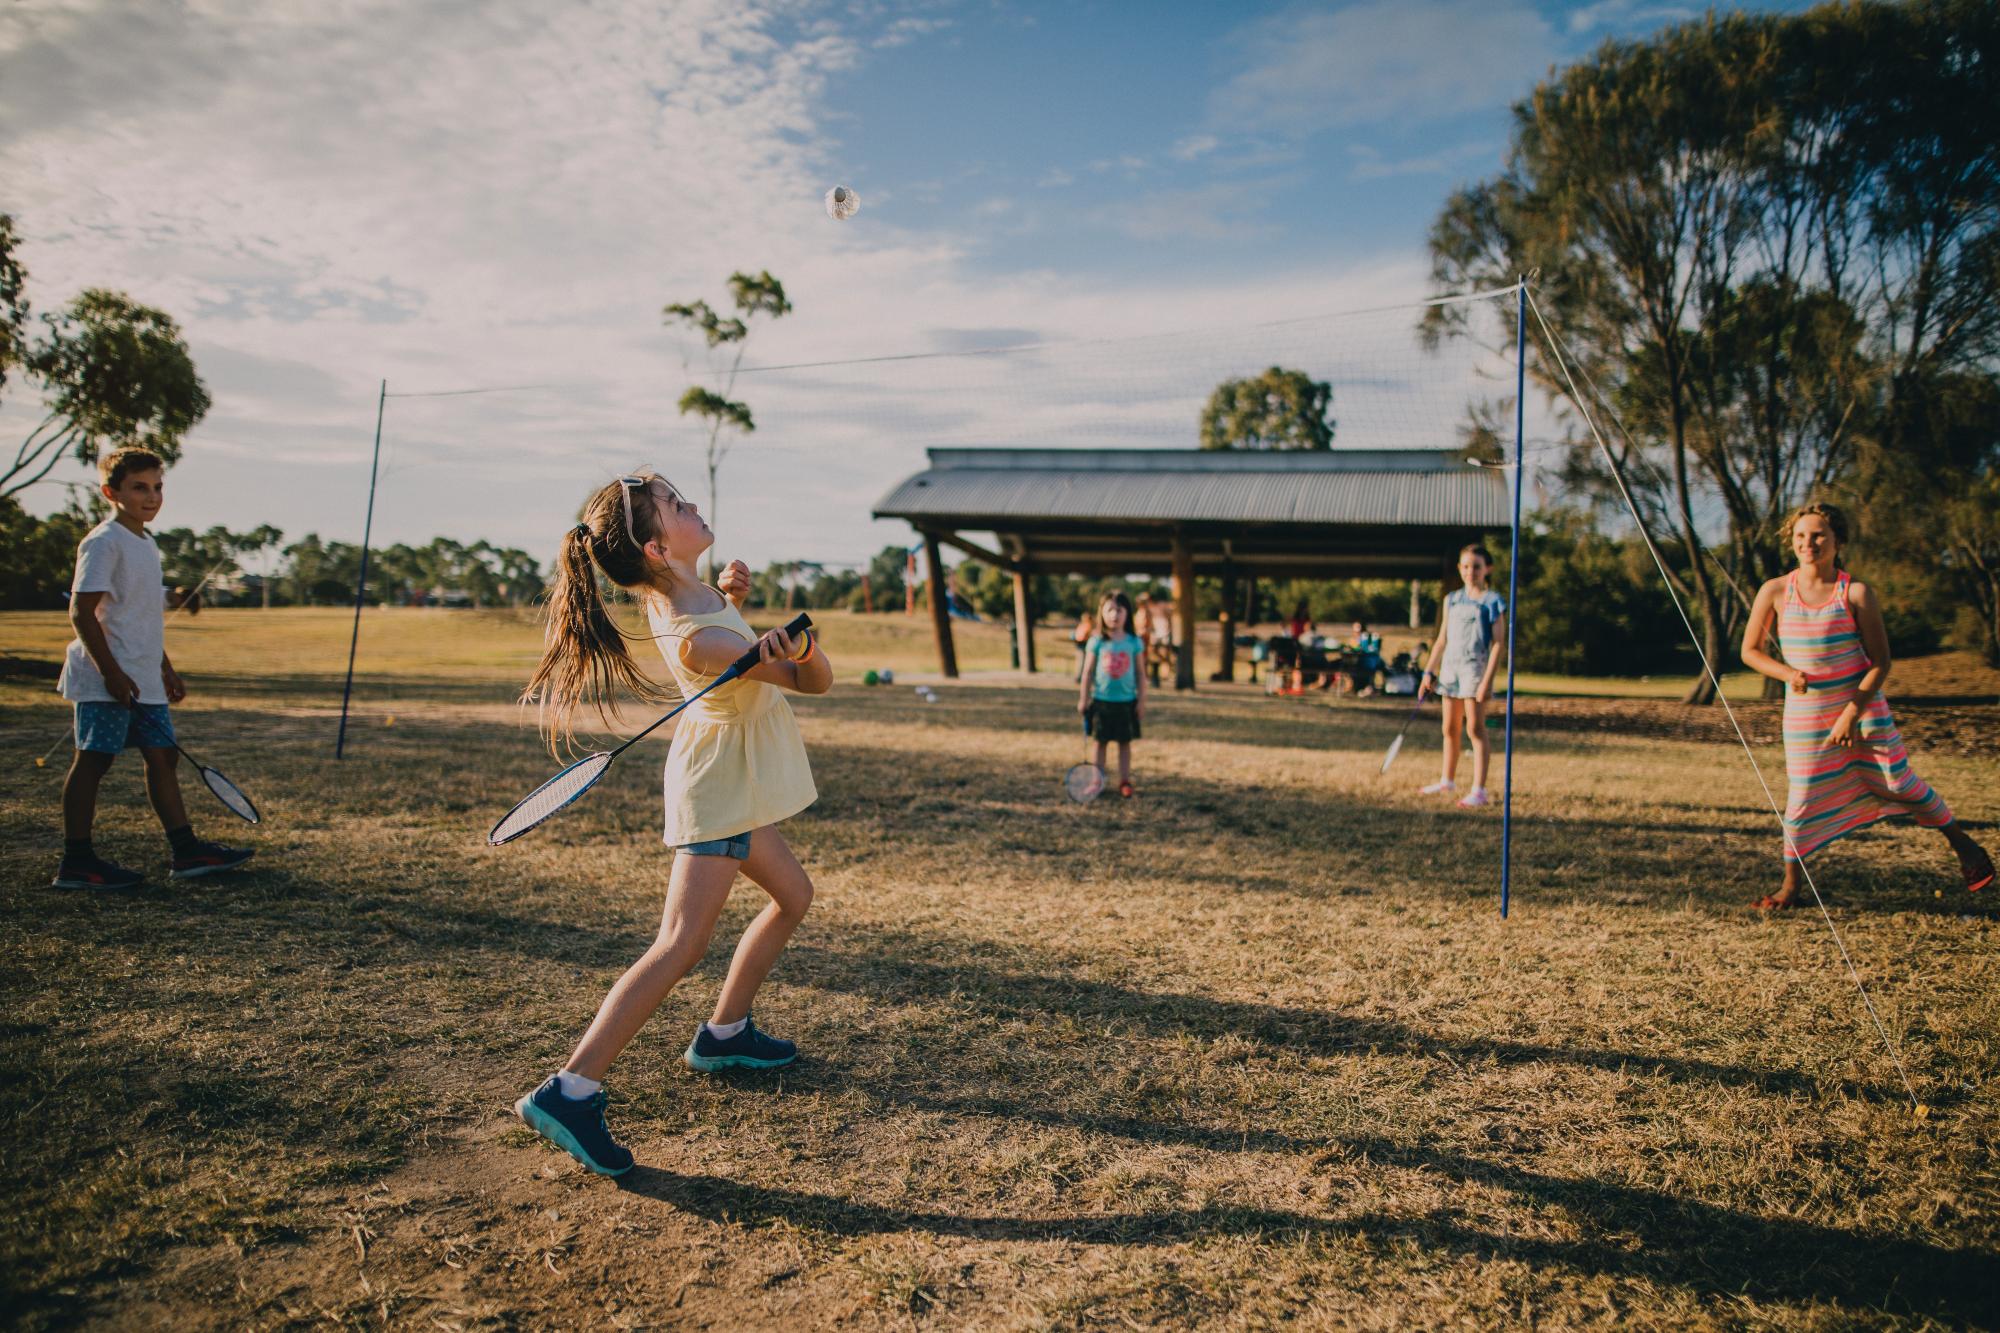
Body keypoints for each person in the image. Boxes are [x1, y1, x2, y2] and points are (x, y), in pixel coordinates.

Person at [513, 471, 832, 1177]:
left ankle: (725, 1032)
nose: (693, 506)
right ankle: (570, 1088)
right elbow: (816, 682)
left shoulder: (689, 595)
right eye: (678, 506)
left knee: (794, 895)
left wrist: (735, 602)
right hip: (718, 790)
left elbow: (711, 620)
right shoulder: (698, 638)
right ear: (658, 547)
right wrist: (800, 651)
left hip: (732, 780)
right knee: (680, 942)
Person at [1739, 502, 1992, 910]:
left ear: (1838, 540)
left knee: (1899, 784)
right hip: (1805, 715)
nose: (1809, 543)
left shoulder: (1855, 592)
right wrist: (1787, 674)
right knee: (1801, 795)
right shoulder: (1775, 590)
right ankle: (1791, 886)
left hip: (1862, 710)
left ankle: (1964, 846)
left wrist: (1852, 713)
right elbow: (1749, 651)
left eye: (1819, 535)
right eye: (1801, 536)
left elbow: (1881, 662)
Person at [51, 449, 255, 890]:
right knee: (94, 761)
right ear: (112, 492)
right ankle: (77, 862)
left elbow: (140, 612)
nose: (152, 496)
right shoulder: (103, 542)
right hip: (107, 677)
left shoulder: (145, 542)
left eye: (158, 487)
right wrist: (111, 673)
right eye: (139, 487)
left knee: (163, 758)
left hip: (143, 677)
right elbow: (82, 612)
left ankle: (186, 853)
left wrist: (165, 667)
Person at [1419, 545, 1508, 808]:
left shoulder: (1493, 602)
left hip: (1475, 670)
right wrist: (1429, 671)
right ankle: (1448, 779)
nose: (1471, 572)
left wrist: (1487, 681)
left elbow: (1498, 643)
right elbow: (1442, 639)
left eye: (1477, 566)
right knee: (1450, 728)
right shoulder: (1452, 600)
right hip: (1450, 669)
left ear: (1487, 569)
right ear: (1459, 569)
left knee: (1475, 729)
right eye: (1466, 566)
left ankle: (1478, 790)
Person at [1079, 590, 1146, 798]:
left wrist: (1141, 701)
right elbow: (1087, 672)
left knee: (1124, 743)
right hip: (1101, 701)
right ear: (1102, 613)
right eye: (1110, 610)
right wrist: (1084, 699)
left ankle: (1124, 781)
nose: (1114, 615)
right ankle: (1096, 781)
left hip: (1126, 702)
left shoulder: (1134, 642)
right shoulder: (1097, 640)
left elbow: (1141, 674)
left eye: (1119, 610)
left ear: (1128, 614)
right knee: (1100, 743)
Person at [1071, 608, 1096, 683]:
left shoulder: (1081, 625)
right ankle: (1079, 678)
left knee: (1081, 661)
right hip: (1083, 645)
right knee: (1083, 662)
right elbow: (1087, 635)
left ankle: (1079, 677)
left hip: (1079, 644)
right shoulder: (1088, 625)